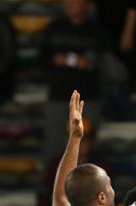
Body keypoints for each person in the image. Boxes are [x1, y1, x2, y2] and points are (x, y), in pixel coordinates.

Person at [39, 0, 107, 159]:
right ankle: (53, 176)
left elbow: (103, 63)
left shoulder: (97, 32)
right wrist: (56, 60)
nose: (70, 3)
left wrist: (86, 63)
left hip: (88, 96)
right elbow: (41, 60)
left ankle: (89, 176)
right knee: (55, 146)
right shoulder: (53, 28)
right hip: (58, 95)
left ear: (87, 5)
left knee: (87, 145)